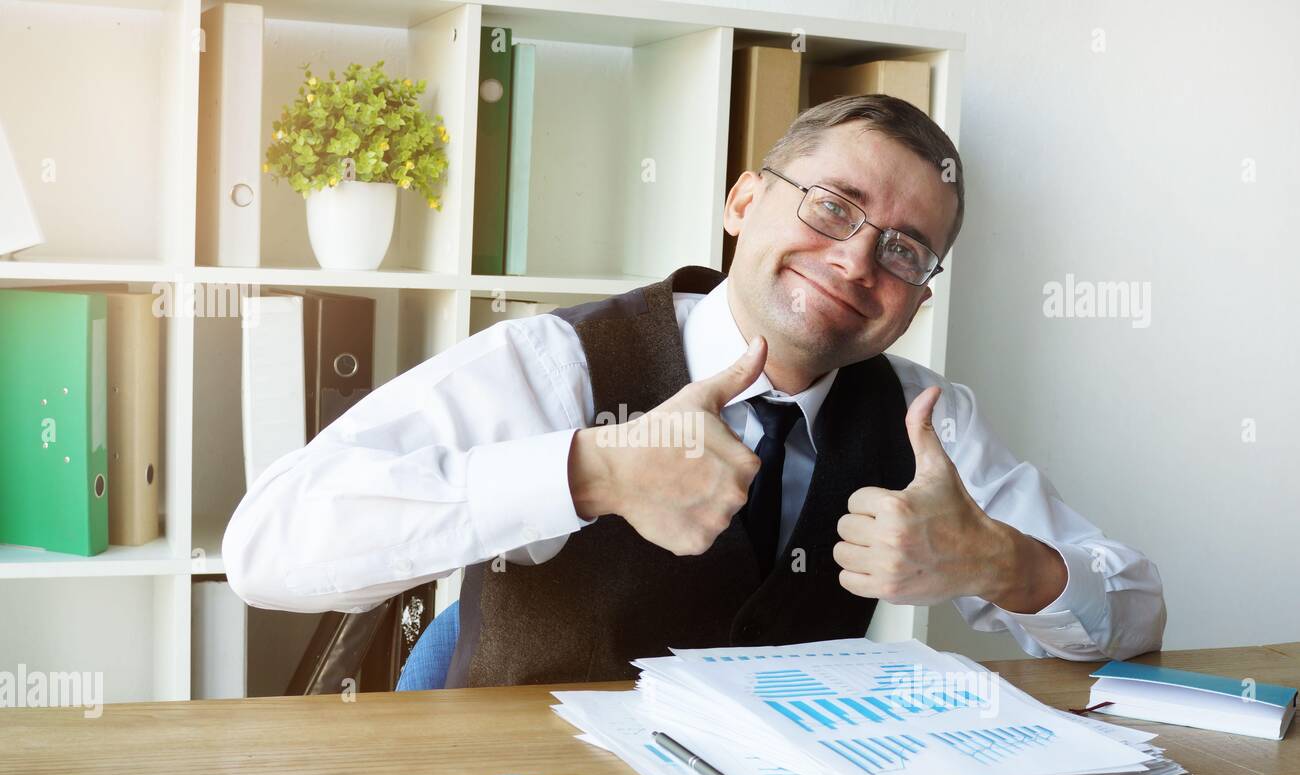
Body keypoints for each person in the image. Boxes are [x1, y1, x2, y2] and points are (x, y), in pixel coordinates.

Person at [223, 95, 1165, 690]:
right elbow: (266, 550)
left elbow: (1135, 615)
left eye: (905, 249)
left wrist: (1007, 563)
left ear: (918, 298)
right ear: (745, 202)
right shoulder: (552, 364)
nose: (855, 258)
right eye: (834, 206)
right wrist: (588, 471)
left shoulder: (929, 419)